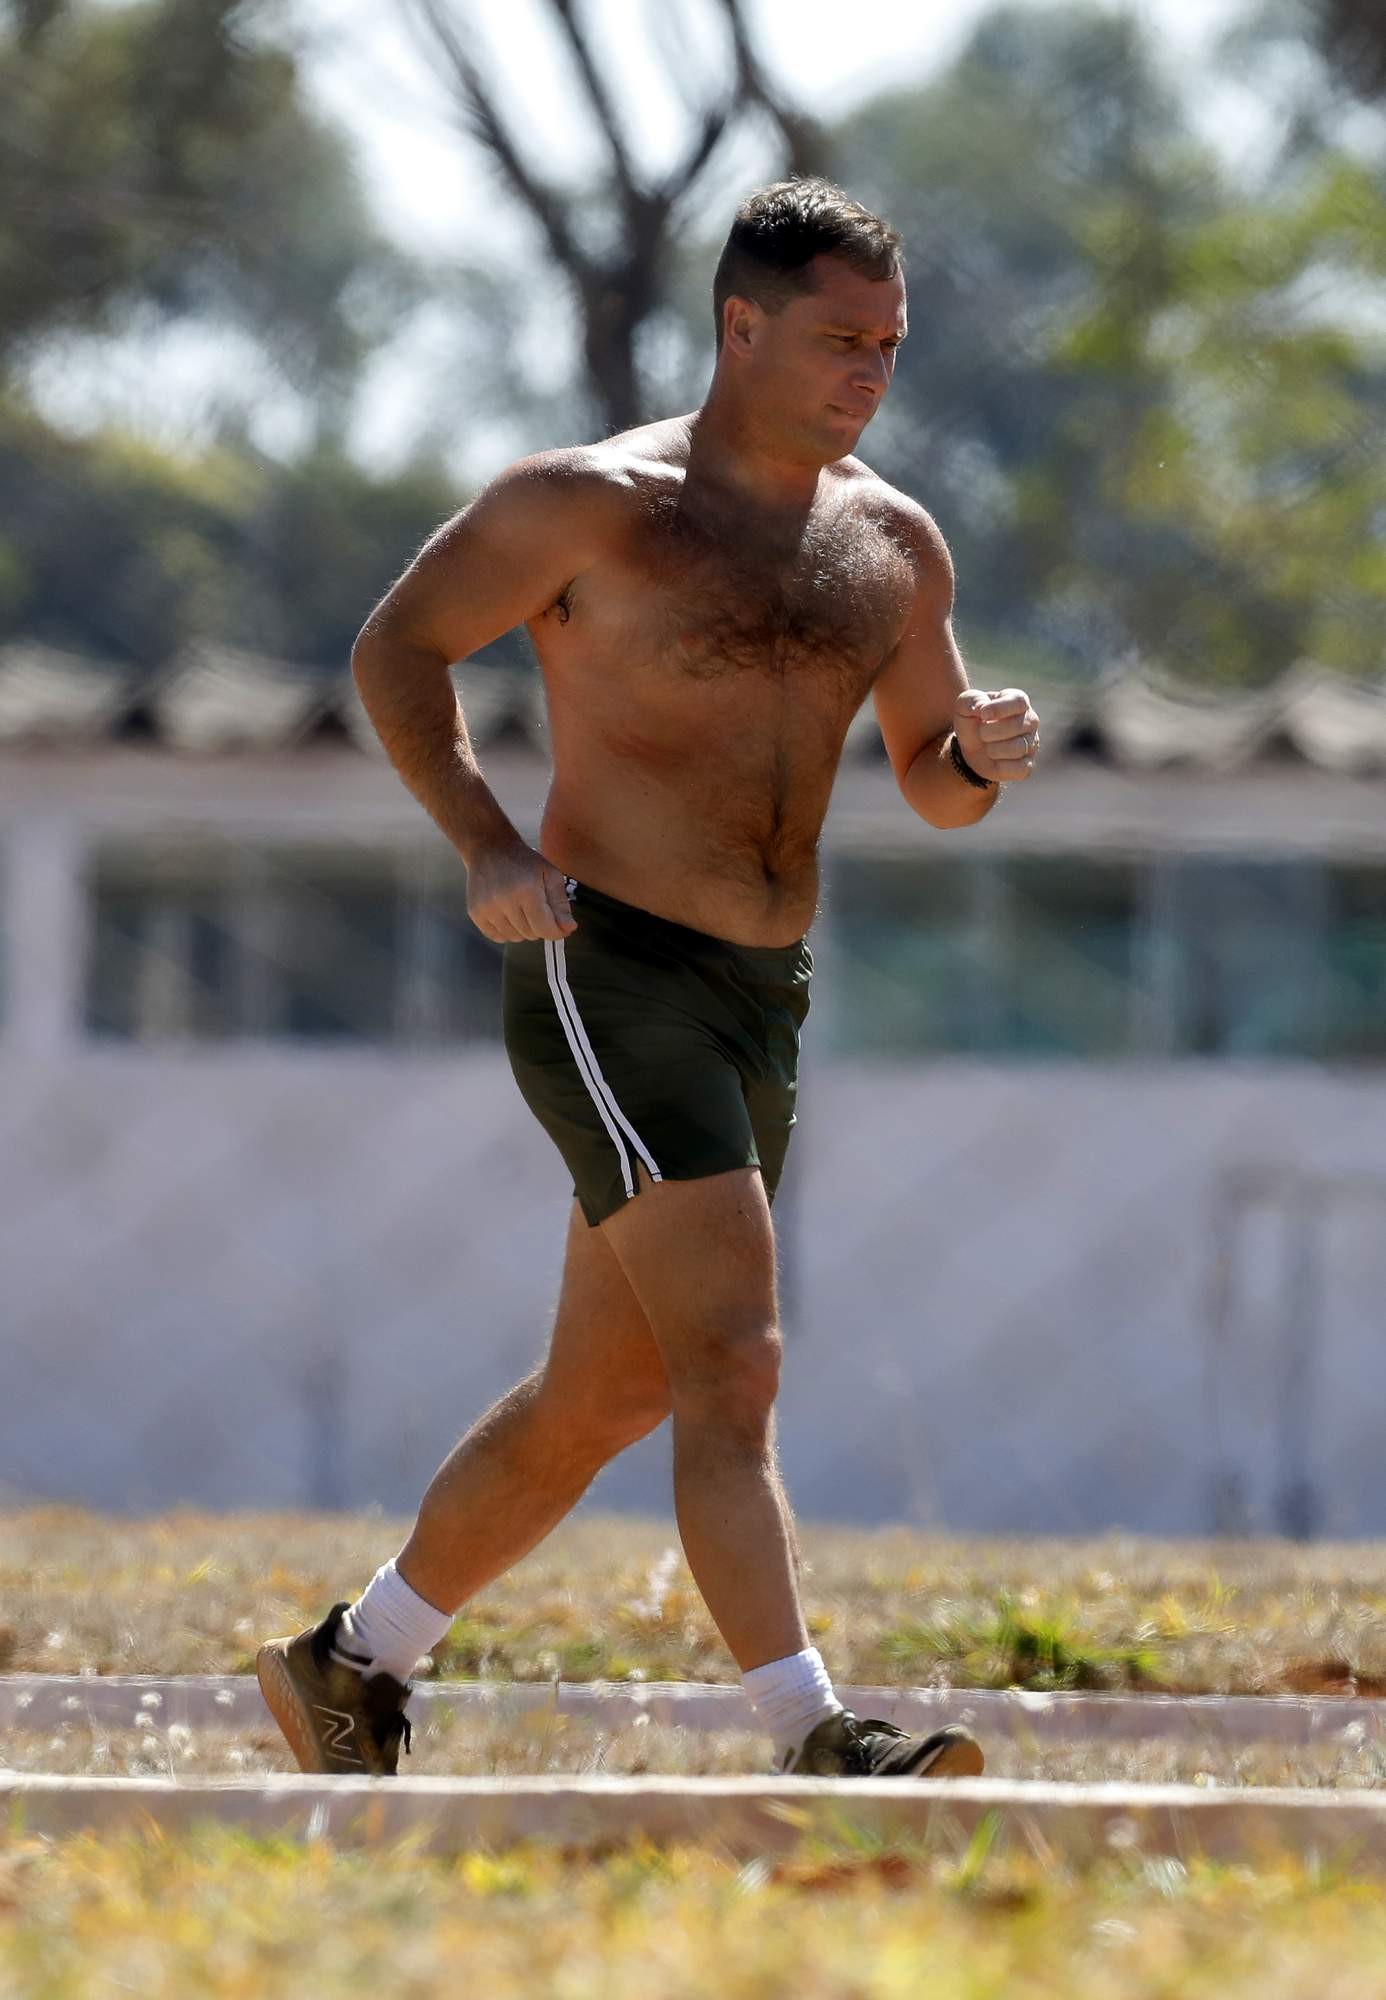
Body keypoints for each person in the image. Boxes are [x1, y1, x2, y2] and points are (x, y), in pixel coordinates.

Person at [257, 177, 1041, 1782]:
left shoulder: (889, 541)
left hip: (766, 995)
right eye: (835, 341)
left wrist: (976, 753)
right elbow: (396, 649)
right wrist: (482, 840)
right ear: (738, 325)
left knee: (606, 1391)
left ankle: (352, 1663)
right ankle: (813, 1732)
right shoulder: (590, 506)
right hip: (600, 966)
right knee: (735, 1359)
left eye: (886, 347)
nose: (865, 375)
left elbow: (931, 776)